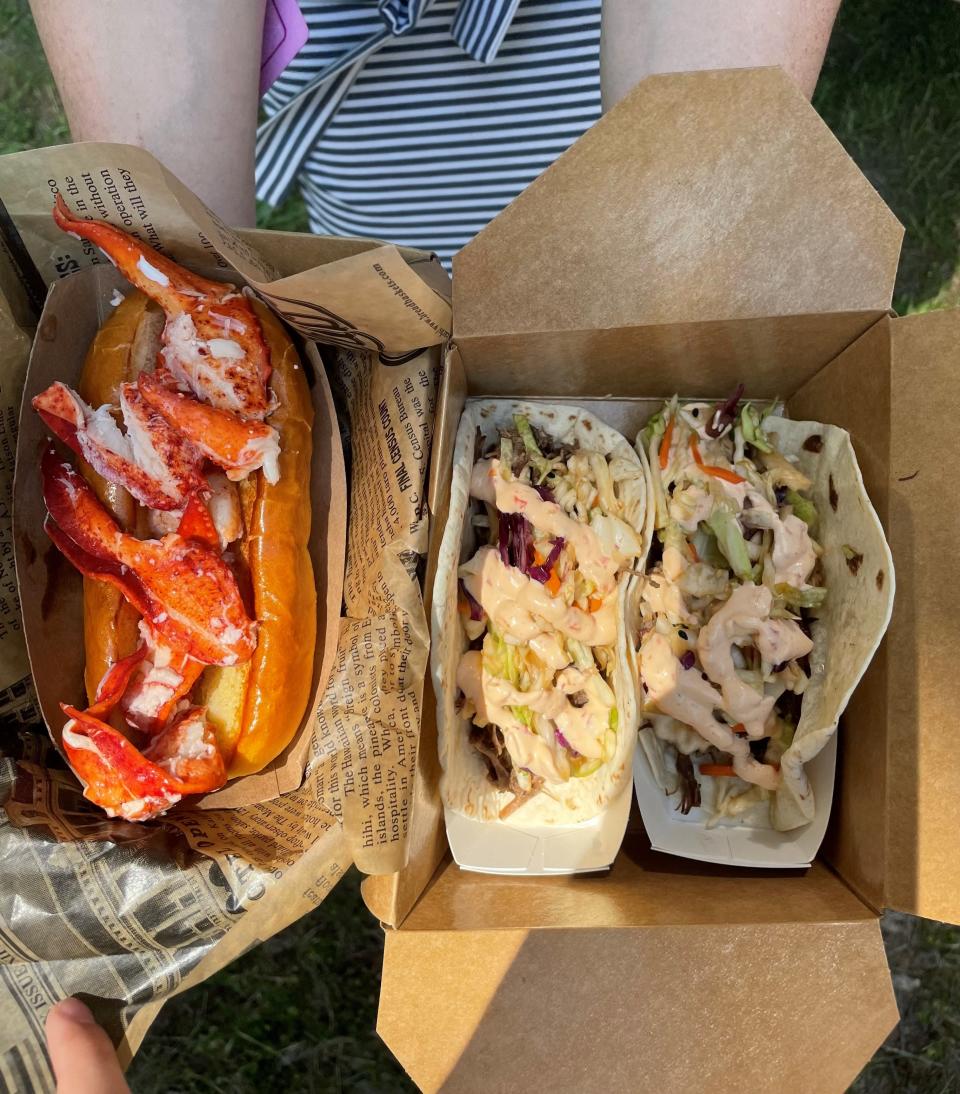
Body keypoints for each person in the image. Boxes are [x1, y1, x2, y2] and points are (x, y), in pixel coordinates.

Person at [33, 0, 840, 1089]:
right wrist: (184, 247)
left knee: (660, 222)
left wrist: (670, 275)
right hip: (370, 139)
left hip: (612, 100)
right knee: (379, 215)